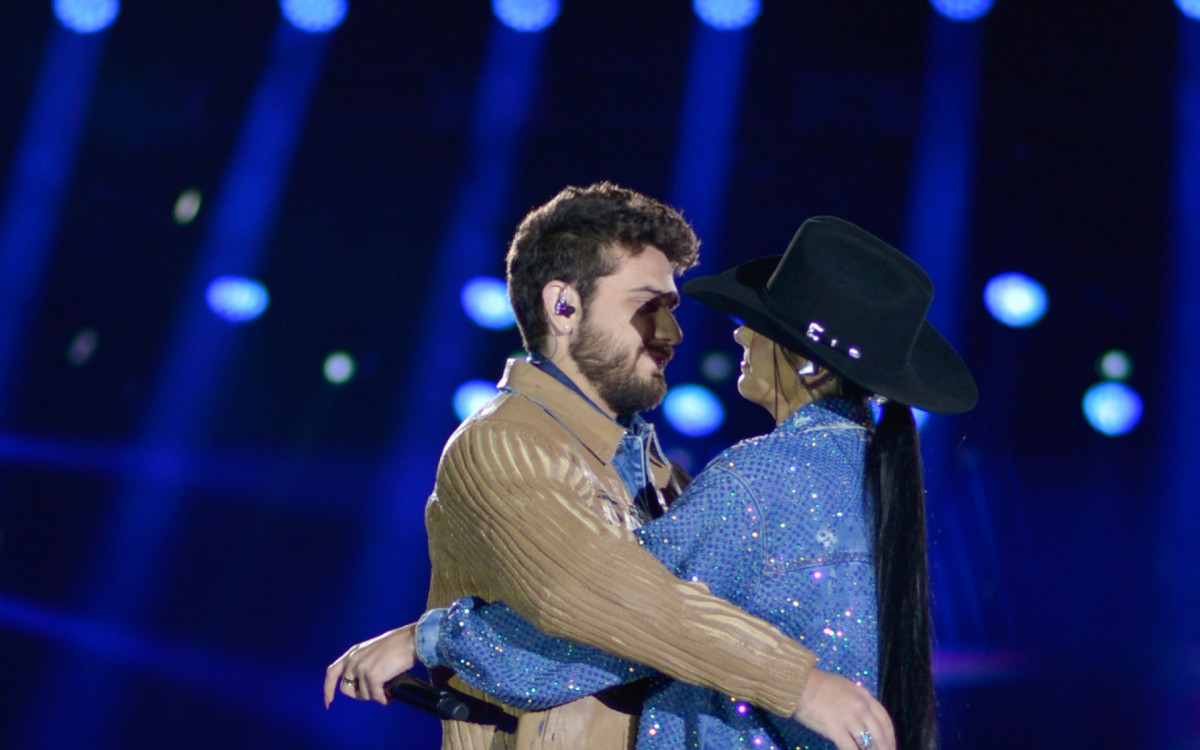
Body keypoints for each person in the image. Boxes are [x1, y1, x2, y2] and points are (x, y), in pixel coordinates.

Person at [345, 216, 978, 750]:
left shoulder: (760, 477)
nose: (728, 332)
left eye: (759, 323)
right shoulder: (872, 478)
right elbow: (616, 606)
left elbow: (616, 615)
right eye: (646, 306)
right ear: (562, 307)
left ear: (810, 362)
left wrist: (432, 637)